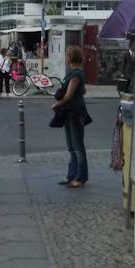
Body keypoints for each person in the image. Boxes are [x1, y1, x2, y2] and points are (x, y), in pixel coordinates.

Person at [52, 45, 89, 188]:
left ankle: (80, 177)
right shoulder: (75, 73)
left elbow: (69, 95)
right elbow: (83, 91)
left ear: (70, 57)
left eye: (67, 55)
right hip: (70, 111)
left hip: (75, 112)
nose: (65, 57)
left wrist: (56, 104)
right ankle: (71, 174)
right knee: (71, 146)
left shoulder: (76, 74)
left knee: (77, 146)